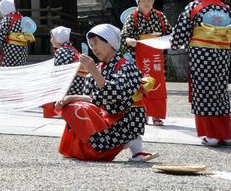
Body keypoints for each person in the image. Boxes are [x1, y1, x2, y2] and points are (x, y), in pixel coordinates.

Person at [55, 24, 157, 162]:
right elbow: (92, 98)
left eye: (96, 43)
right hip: (106, 115)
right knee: (72, 107)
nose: (94, 48)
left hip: (125, 118)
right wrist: (69, 98)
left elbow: (117, 94)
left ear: (110, 43)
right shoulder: (99, 67)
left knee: (79, 111)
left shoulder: (126, 66)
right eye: (91, 45)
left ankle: (129, 141)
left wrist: (94, 72)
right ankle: (124, 144)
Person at [171, 0, 231, 146]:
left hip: (202, 53)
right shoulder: (225, 7)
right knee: (220, 90)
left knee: (204, 90)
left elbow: (181, 32)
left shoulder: (194, 7)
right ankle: (226, 135)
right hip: (223, 53)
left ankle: (211, 135)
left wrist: (174, 43)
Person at [121, 0, 170, 125]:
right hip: (139, 54)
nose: (146, 3)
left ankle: (157, 115)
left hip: (156, 53)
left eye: (149, 0)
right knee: (141, 82)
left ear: (153, 1)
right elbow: (124, 35)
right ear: (138, 2)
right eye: (142, 0)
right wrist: (129, 40)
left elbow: (168, 32)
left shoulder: (160, 16)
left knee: (158, 83)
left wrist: (166, 40)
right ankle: (143, 113)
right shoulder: (133, 16)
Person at [41, 26, 86, 118]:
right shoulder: (71, 48)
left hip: (71, 85)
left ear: (58, 38)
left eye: (52, 37)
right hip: (78, 84)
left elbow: (60, 73)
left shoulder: (62, 51)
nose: (51, 40)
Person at [0, 0, 32, 66]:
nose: (1, 13)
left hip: (11, 49)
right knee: (19, 68)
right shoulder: (21, 17)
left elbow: (0, 34)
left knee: (9, 69)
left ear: (5, 9)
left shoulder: (7, 19)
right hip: (23, 49)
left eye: (1, 11)